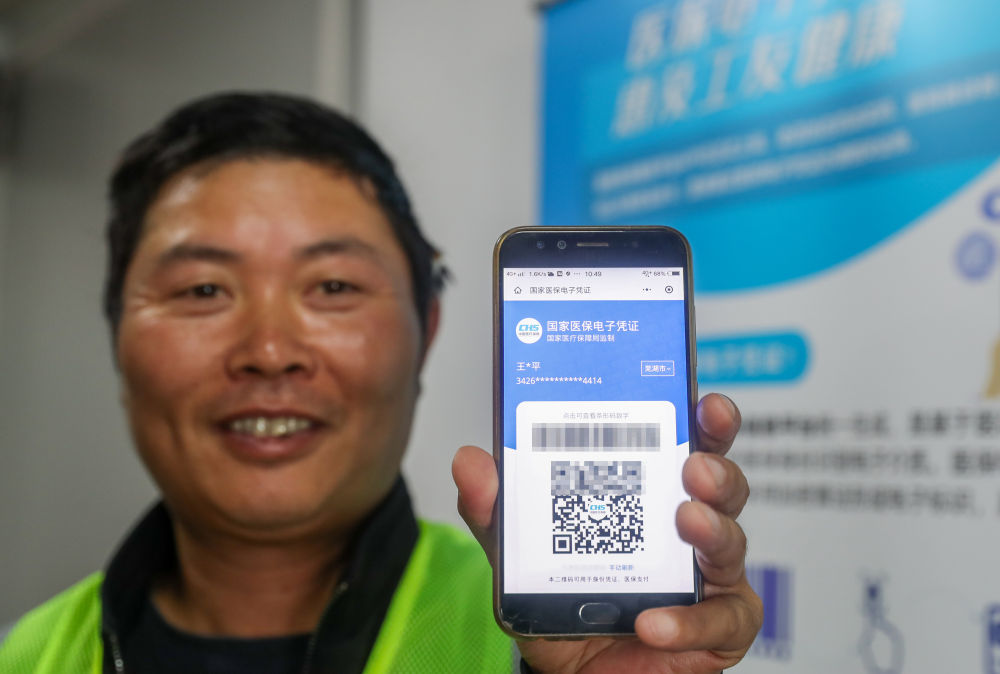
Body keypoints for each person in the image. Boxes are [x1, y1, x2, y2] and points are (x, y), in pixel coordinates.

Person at [0, 92, 761, 673]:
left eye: (333, 287)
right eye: (203, 290)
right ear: (116, 332)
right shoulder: (30, 655)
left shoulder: (537, 637)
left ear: (426, 328)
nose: (270, 351)